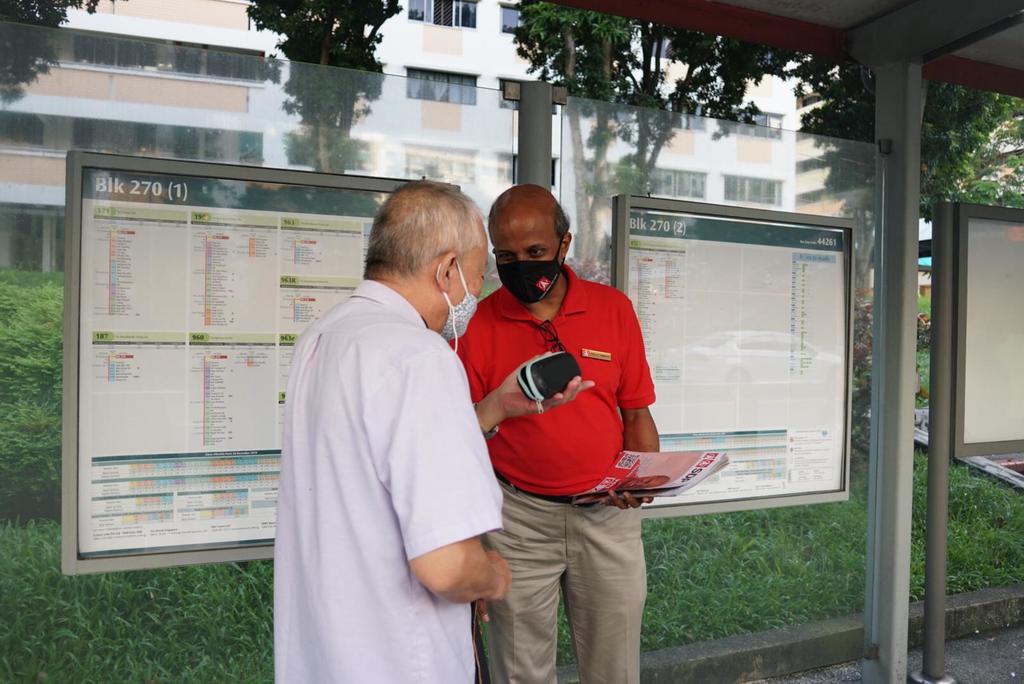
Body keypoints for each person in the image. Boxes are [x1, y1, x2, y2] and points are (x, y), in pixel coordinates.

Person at [274, 181, 588, 683]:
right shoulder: (421, 357)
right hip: (401, 657)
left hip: (326, 652)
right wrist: (490, 574)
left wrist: (494, 409)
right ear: (445, 269)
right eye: (478, 274)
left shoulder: (326, 335)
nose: (476, 294)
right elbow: (447, 567)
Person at [458, 184, 660, 684]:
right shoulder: (477, 326)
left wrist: (642, 479)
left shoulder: (613, 310)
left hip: (607, 518)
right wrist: (472, 543)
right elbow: (460, 441)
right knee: (519, 671)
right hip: (519, 523)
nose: (521, 266)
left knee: (614, 669)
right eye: (505, 255)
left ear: (564, 244)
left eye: (535, 253)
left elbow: (636, 413)